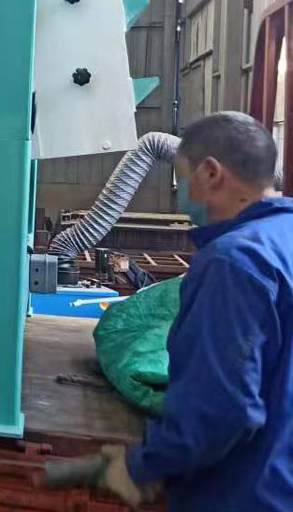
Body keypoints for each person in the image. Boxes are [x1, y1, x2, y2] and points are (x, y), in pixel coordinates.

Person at [93, 111, 293, 510]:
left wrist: (140, 467)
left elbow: (221, 410)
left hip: (244, 494)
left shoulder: (233, 261)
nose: (181, 193)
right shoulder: (282, 239)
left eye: (181, 177)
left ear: (211, 173)